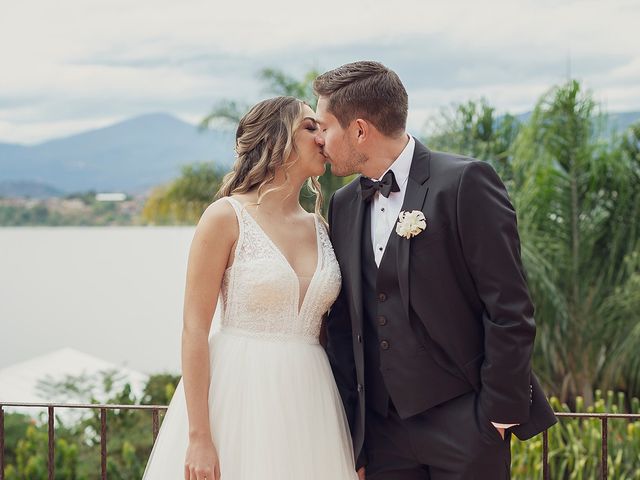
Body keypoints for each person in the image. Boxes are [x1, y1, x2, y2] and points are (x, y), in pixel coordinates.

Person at [315, 61, 557, 480]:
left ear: (358, 130)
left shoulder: (465, 183)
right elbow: (343, 324)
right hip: (382, 435)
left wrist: (496, 416)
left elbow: (509, 308)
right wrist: (357, 433)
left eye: (324, 126)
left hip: (466, 426)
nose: (319, 140)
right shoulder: (344, 204)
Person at [142, 96, 358, 480]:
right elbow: (194, 329)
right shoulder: (225, 217)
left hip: (312, 403)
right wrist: (199, 437)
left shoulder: (321, 227)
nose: (322, 138)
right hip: (240, 395)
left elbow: (330, 334)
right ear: (277, 139)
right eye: (310, 127)